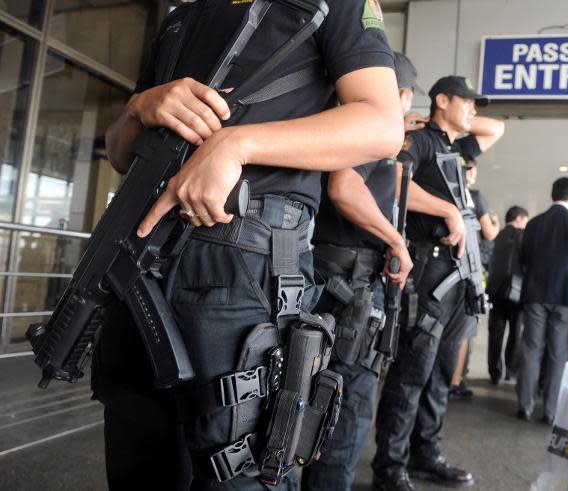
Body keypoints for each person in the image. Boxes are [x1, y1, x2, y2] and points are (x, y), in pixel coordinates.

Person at [97, 1, 404, 490]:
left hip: (244, 261)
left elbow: (382, 125)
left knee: (239, 474)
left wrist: (236, 144)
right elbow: (117, 150)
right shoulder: (181, 16)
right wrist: (140, 107)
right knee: (137, 461)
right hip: (139, 256)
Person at [372, 75, 504, 491]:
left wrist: (452, 117)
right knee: (411, 376)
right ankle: (389, 467)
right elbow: (392, 181)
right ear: (441, 100)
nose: (474, 111)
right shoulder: (424, 142)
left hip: (455, 279)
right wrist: (446, 209)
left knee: (441, 375)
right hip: (426, 277)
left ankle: (426, 454)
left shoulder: (456, 146)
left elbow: (497, 128)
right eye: (465, 102)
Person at [300, 51, 420, 491]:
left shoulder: (354, 129)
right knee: (343, 414)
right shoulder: (372, 133)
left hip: (337, 280)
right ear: (401, 95)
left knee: (320, 407)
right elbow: (345, 187)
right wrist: (395, 240)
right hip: (349, 288)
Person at [516, 177, 568, 424]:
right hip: (565, 295)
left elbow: (524, 257)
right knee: (558, 353)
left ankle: (525, 406)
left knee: (531, 349)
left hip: (534, 294)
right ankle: (550, 411)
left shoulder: (534, 223)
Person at [448, 159, 499, 401]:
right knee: (464, 330)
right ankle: (454, 382)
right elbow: (489, 233)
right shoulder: (475, 197)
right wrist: (496, 224)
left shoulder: (441, 191)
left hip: (440, 267)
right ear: (469, 171)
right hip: (467, 269)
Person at [485, 206, 528, 385]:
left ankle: (494, 372)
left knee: (495, 333)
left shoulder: (496, 235)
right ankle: (511, 371)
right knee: (515, 333)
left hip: (495, 291)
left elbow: (487, 259)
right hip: (517, 293)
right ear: (519, 218)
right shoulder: (524, 236)